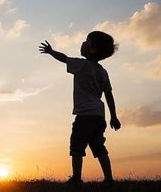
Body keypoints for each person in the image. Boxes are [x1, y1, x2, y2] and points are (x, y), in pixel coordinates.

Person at [39, 31, 121, 185]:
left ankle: (76, 177)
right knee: (99, 146)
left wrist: (50, 52)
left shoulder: (82, 65)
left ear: (92, 50)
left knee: (77, 145)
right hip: (98, 115)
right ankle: (109, 179)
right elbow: (109, 95)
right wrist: (114, 116)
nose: (82, 43)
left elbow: (64, 58)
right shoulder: (103, 72)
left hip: (85, 115)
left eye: (86, 41)